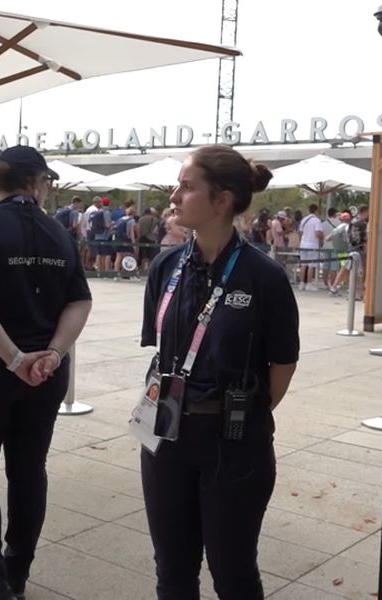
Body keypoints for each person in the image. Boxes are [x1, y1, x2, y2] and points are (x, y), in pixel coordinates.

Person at [140, 144, 299, 600]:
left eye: (187, 187)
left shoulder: (263, 276)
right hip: (166, 438)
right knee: (171, 570)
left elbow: (282, 363)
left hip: (234, 446)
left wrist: (240, 413)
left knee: (232, 573)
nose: (173, 195)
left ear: (222, 200)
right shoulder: (166, 267)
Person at [0, 145, 92, 600]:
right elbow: (80, 299)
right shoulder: (59, 233)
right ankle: (17, 573)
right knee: (29, 471)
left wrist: (13, 358)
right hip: (47, 376)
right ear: (35, 182)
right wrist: (52, 353)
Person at [298, 203, 324, 291]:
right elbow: (318, 233)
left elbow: (300, 232)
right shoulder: (317, 221)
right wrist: (322, 238)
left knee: (303, 264)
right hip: (312, 244)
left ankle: (301, 283)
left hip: (303, 243)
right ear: (316, 210)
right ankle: (309, 283)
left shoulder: (304, 219)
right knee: (311, 265)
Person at [321, 207, 340, 288]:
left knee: (326, 265)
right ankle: (332, 284)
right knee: (334, 266)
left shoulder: (323, 223)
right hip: (335, 246)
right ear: (335, 214)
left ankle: (325, 283)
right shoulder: (339, 223)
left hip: (325, 245)